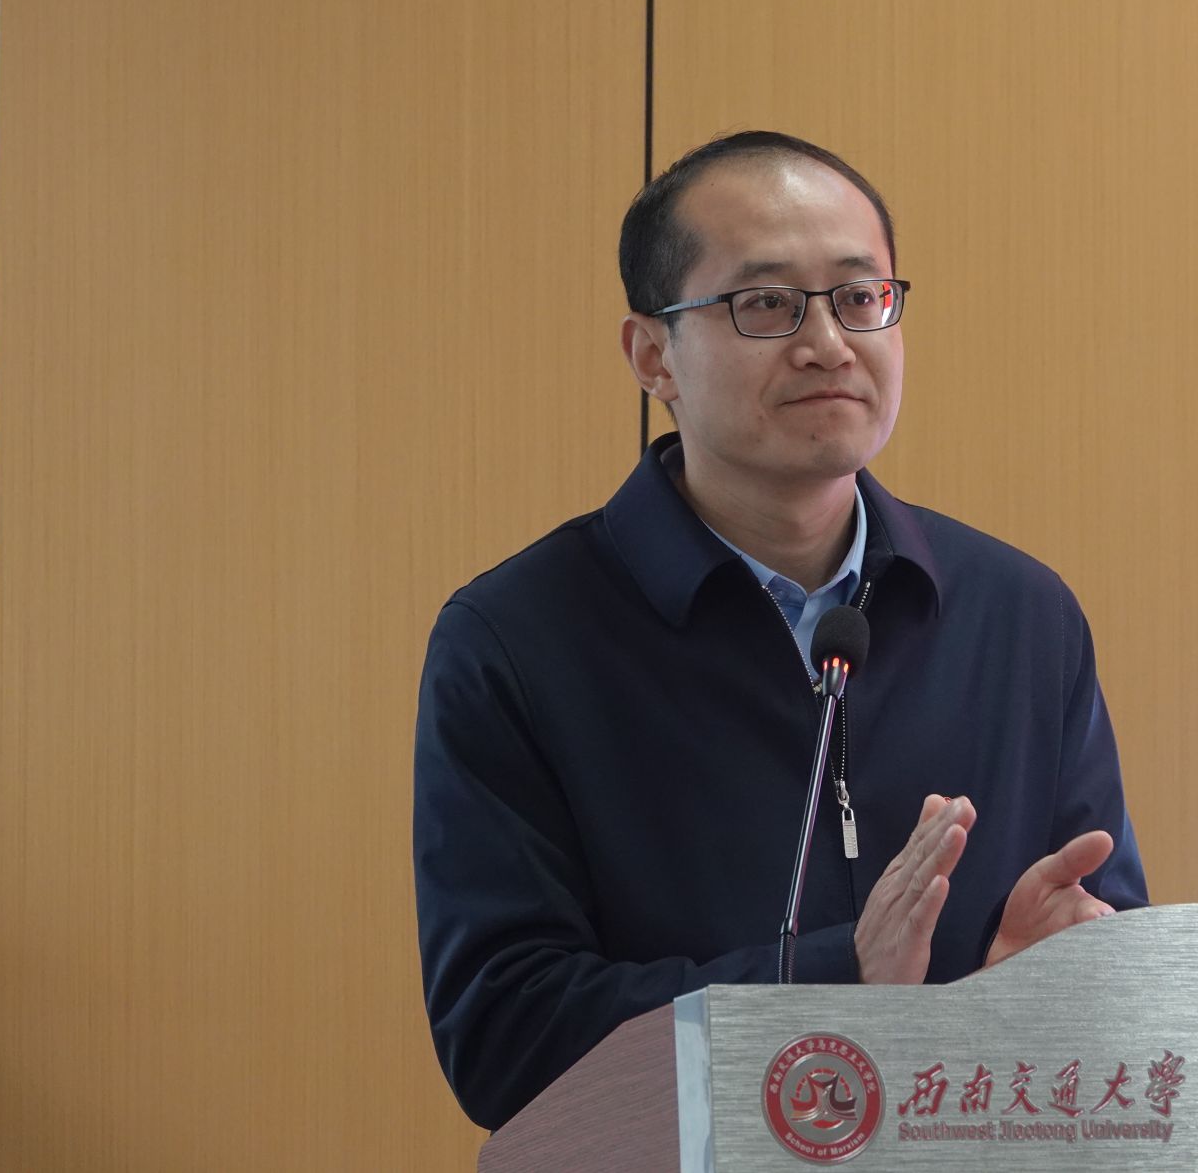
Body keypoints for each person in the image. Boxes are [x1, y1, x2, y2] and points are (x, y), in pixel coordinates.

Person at [413, 130, 1146, 1131]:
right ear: (652, 355)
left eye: (860, 297)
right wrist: (840, 979)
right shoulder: (516, 640)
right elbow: (506, 1037)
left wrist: (1037, 990)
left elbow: (1112, 953)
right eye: (765, 304)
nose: (828, 343)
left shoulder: (1019, 614)